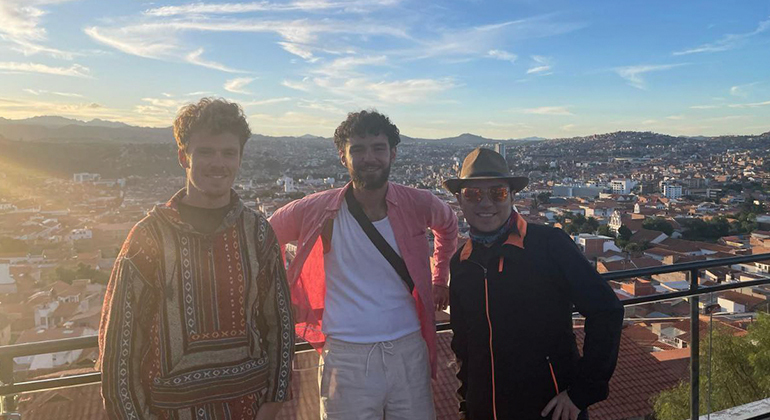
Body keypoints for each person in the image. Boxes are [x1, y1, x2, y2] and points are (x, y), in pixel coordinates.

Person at [98, 98, 294, 420]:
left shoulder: (258, 233)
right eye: (205, 152)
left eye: (228, 153)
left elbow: (280, 323)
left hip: (248, 408)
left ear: (240, 159)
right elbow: (120, 343)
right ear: (183, 157)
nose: (218, 163)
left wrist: (273, 402)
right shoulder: (150, 236)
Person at [269, 110, 458, 420]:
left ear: (393, 153)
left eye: (378, 148)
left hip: (408, 348)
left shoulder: (417, 203)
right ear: (343, 156)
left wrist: (440, 279)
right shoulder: (317, 209)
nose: (369, 158)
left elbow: (448, 227)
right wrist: (282, 295)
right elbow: (266, 236)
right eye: (358, 149)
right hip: (346, 357)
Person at [445, 148, 624, 420]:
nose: (485, 203)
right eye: (473, 194)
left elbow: (606, 310)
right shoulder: (461, 264)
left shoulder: (549, 245)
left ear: (512, 196)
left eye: (497, 193)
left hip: (550, 409)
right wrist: (466, 405)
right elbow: (463, 346)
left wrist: (582, 392)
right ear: (460, 199)